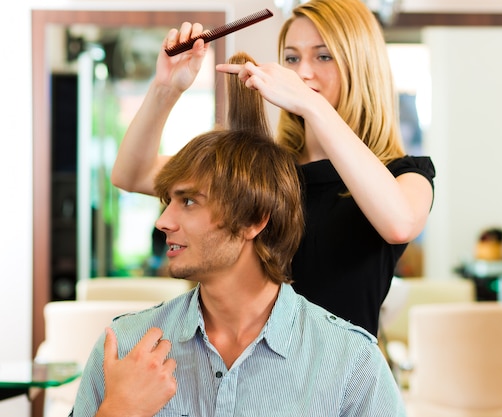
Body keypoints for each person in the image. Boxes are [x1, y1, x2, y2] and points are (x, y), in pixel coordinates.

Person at [71, 52, 406, 417]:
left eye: (189, 202)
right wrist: (118, 411)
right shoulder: (126, 345)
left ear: (254, 220)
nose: (163, 222)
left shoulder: (351, 365)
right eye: (168, 201)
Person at [111, 0, 435, 336]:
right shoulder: (264, 171)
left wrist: (311, 104)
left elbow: (400, 224)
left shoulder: (403, 175)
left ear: (361, 66)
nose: (302, 72)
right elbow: (131, 174)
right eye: (292, 58)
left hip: (341, 382)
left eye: (323, 56)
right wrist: (167, 86)